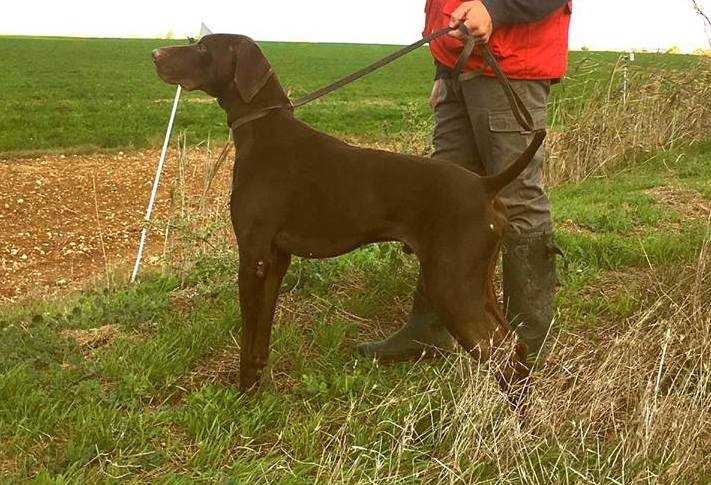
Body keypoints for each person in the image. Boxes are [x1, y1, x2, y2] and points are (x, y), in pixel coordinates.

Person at [358, 0, 572, 362]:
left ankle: (526, 345)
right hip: (460, 67)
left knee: (518, 202)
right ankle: (428, 331)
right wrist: (443, 72)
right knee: (443, 204)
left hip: (510, 66)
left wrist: (495, 7)